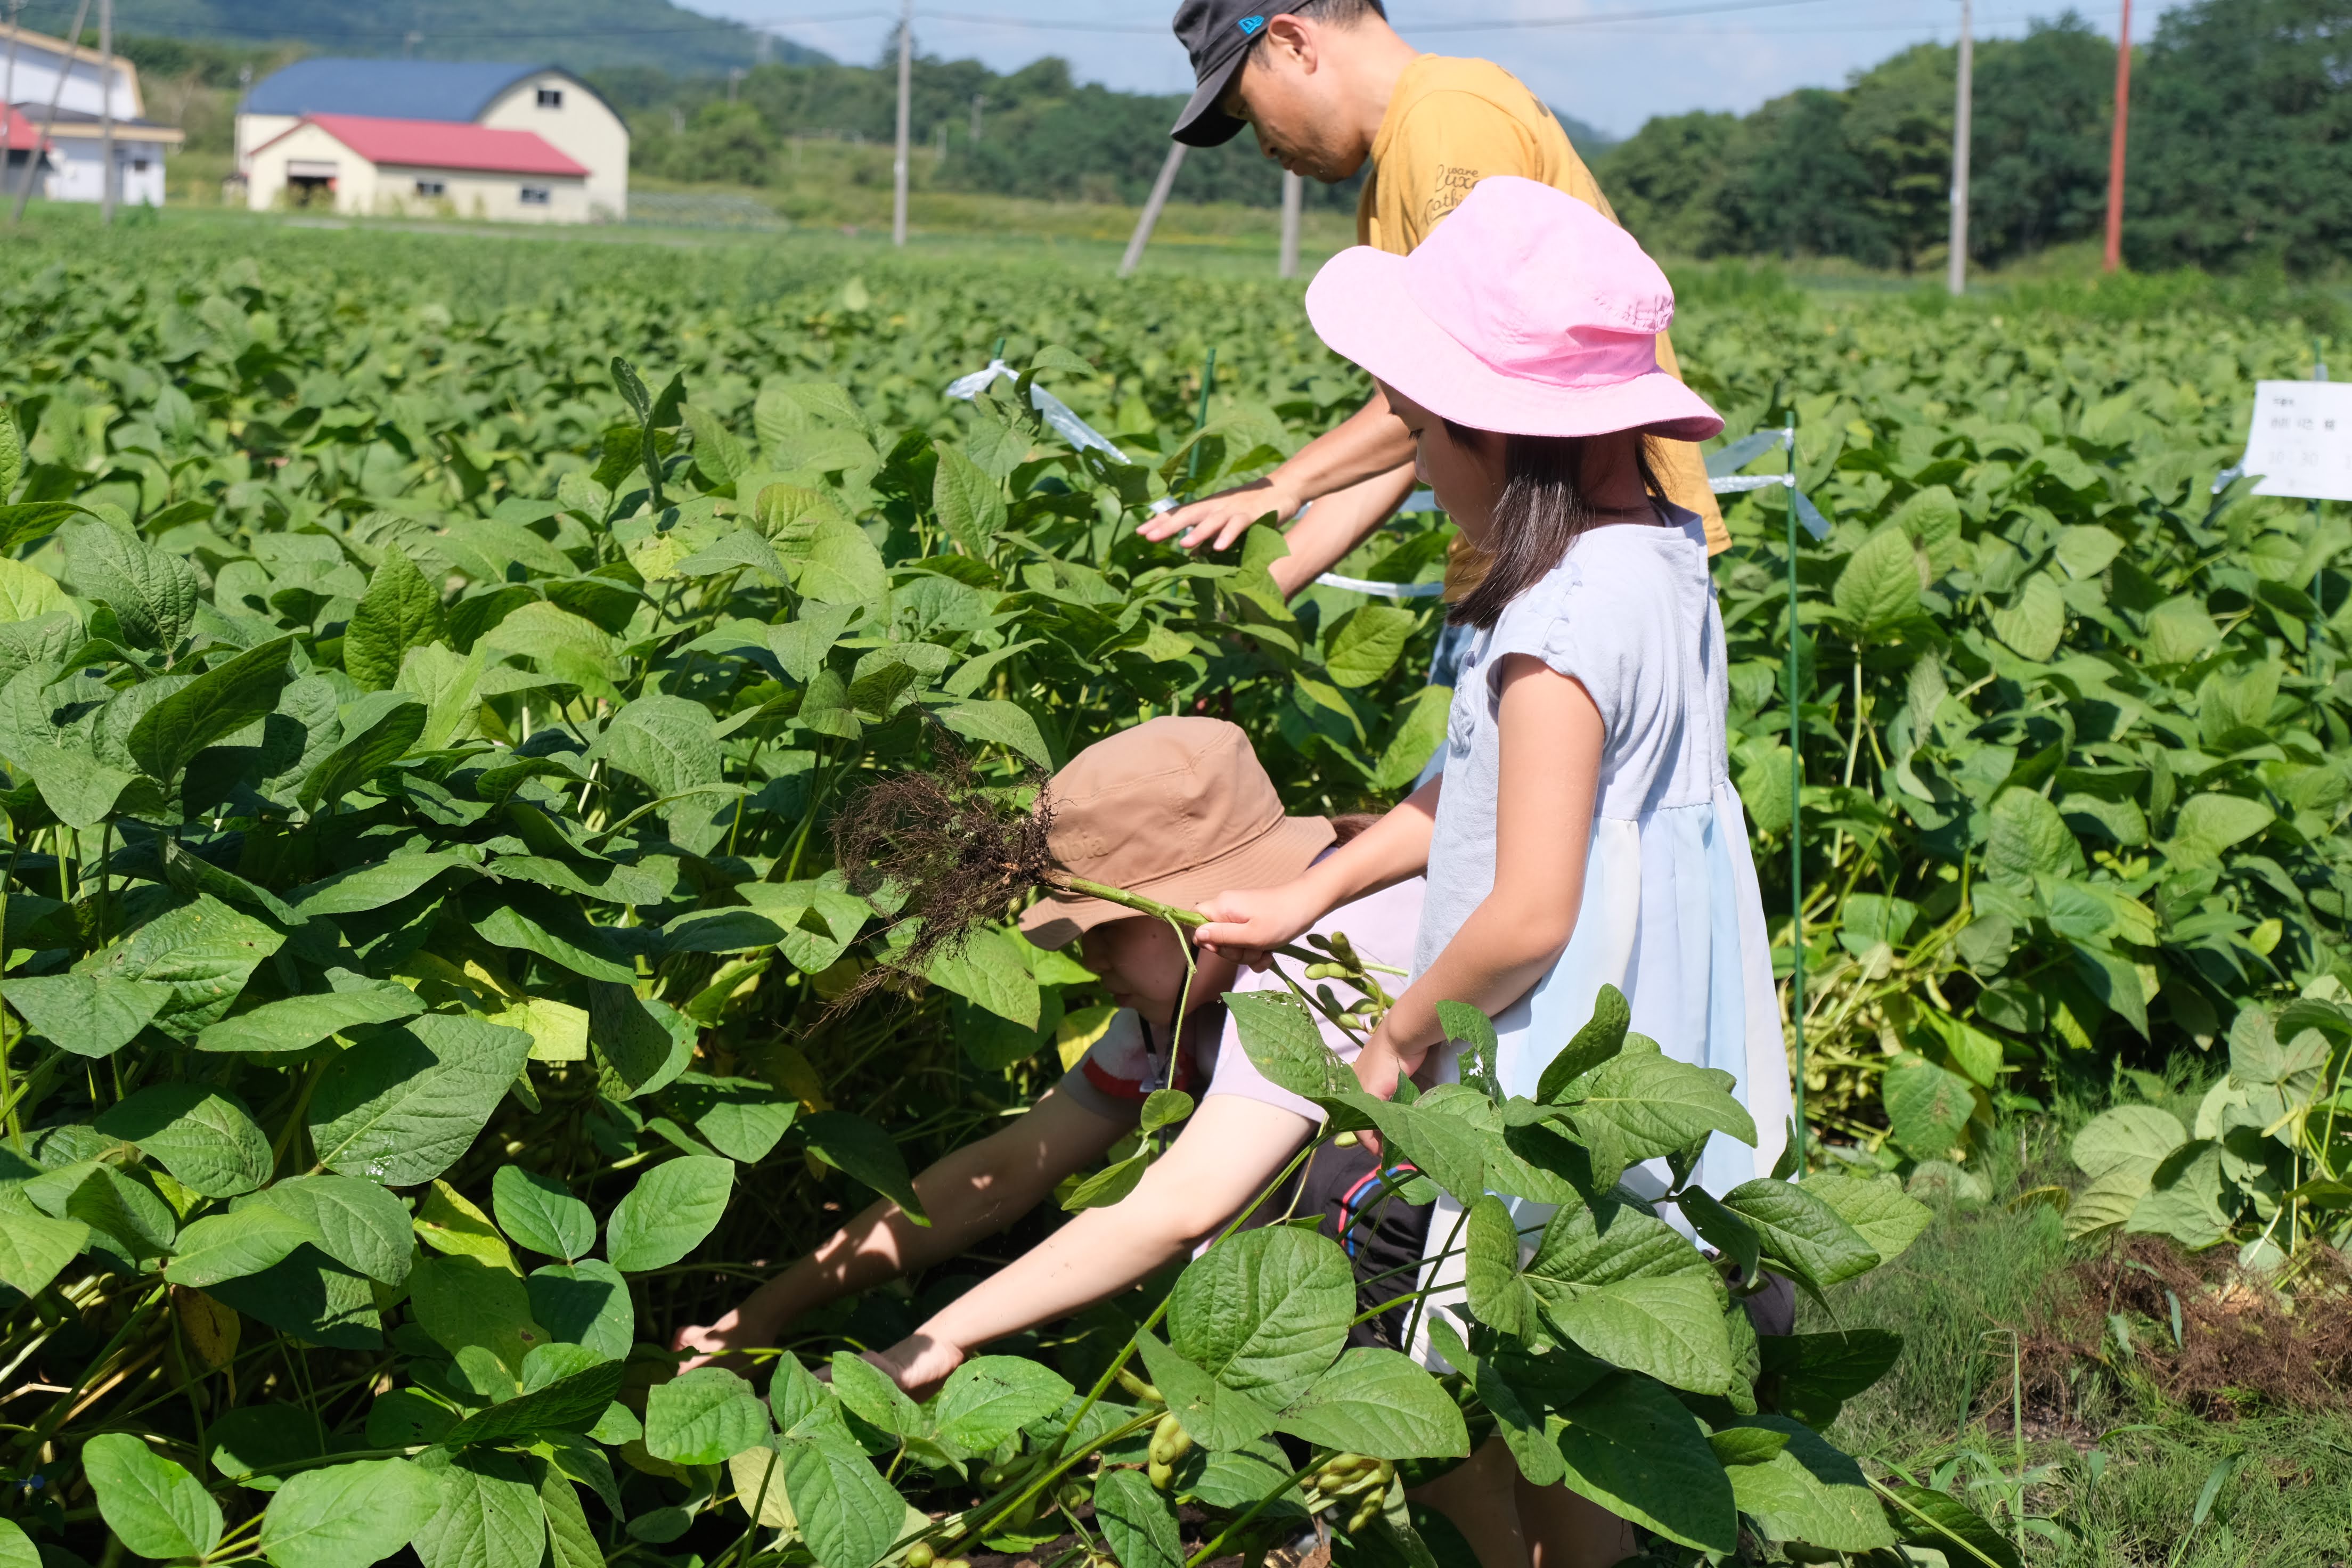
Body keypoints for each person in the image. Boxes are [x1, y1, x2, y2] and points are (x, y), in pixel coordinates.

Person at [1193, 178, 1795, 1568]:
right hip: (1662, 1009)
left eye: (1418, 418)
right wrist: (1311, 895)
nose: (1412, 451)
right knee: (1568, 1380)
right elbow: (1493, 791)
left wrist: (1395, 1045)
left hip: (1548, 1054)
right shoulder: (1657, 556)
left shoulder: (1555, 622)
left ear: (1498, 427)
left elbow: (1528, 907)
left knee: (1528, 1377)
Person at [672, 718, 1427, 1382]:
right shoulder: (1193, 991)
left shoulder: (1326, 951)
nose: (1088, 959)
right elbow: (1003, 1173)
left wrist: (942, 1337)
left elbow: (1182, 1204)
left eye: (1104, 929)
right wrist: (762, 1317)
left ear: (1206, 900)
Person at [1141, 0, 1729, 615]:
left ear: (1293, 42)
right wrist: (1260, 597)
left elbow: (1475, 370)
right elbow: (1423, 420)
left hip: (1579, 570)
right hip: (1535, 555)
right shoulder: (1403, 157)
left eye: (1245, 108)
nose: (1262, 145)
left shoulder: (1448, 118)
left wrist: (1286, 484)